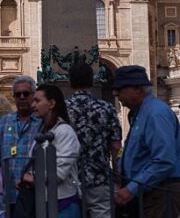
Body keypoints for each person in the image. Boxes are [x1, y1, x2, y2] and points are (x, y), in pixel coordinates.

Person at [112, 65, 180, 217]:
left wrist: (131, 189)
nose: (116, 94)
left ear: (138, 89)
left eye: (121, 88)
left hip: (160, 192)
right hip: (148, 191)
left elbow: (164, 160)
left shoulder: (155, 114)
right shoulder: (140, 113)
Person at [65, 62, 121, 218]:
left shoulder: (63, 109)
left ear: (69, 83)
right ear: (93, 81)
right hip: (100, 177)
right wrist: (117, 175)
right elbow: (115, 145)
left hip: (70, 179)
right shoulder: (106, 108)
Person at [21, 84, 81, 218]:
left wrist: (31, 178)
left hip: (63, 204)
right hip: (45, 202)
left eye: (37, 101)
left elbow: (59, 173)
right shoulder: (43, 131)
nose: (32, 105)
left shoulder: (65, 132)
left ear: (52, 103)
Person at [0, 75, 41, 214]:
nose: (21, 97)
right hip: (9, 194)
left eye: (26, 94)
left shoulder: (41, 122)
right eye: (17, 94)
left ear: (34, 95)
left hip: (35, 193)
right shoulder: (4, 121)